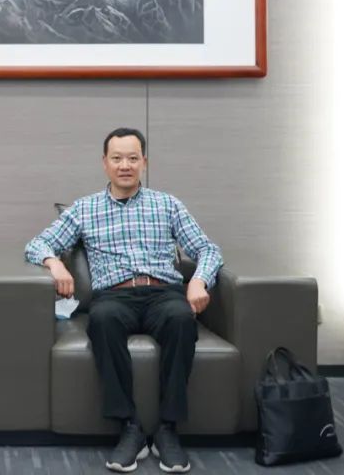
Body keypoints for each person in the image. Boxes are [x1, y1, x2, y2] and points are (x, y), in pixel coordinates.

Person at [24, 127, 222, 474]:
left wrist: (198, 281)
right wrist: (55, 263)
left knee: (181, 320)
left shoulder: (168, 205)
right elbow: (36, 244)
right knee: (102, 321)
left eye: (132, 158)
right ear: (105, 163)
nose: (125, 165)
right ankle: (129, 426)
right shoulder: (85, 209)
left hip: (164, 293)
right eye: (117, 158)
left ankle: (167, 428)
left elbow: (208, 249)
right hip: (114, 296)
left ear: (144, 162)